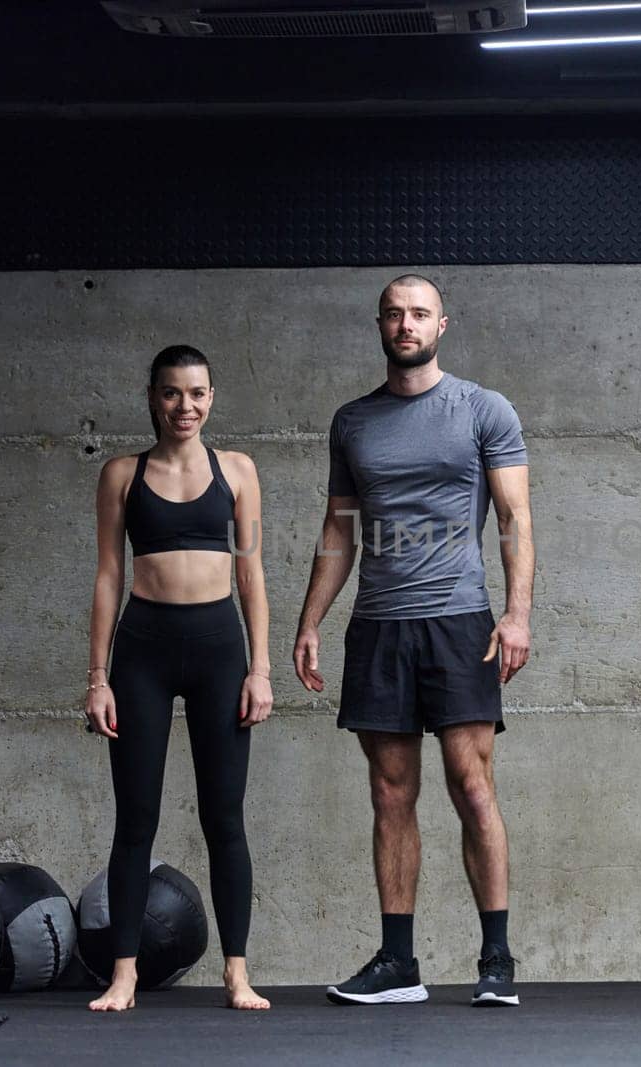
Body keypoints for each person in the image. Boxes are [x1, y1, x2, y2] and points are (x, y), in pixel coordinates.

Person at [294, 275, 535, 1007]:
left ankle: (496, 959)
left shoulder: (481, 408)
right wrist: (310, 621)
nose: (407, 324)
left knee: (472, 785)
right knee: (390, 791)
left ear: (443, 324)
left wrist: (517, 613)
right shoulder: (353, 421)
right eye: (395, 314)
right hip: (379, 625)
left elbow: (515, 518)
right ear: (379, 324)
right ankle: (399, 963)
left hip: (459, 620)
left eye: (419, 313)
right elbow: (339, 529)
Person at [84, 344, 273, 1012]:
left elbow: (251, 574)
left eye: (196, 393)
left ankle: (237, 972)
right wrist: (97, 676)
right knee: (136, 818)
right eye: (170, 393)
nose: (183, 406)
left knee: (225, 817)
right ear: (152, 397)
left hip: (221, 649)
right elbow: (109, 575)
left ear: (212, 397)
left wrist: (261, 668)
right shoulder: (121, 474)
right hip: (143, 651)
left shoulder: (240, 471)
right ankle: (125, 973)